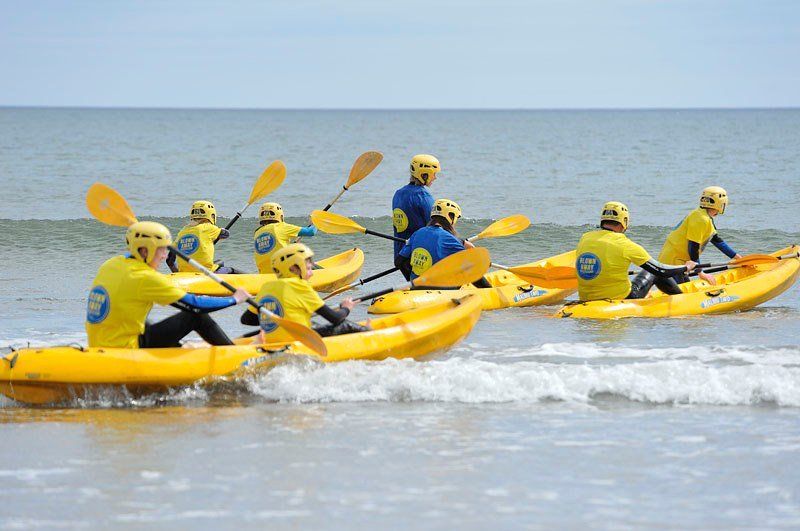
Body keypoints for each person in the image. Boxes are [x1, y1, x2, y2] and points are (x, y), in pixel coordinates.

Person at [86, 221, 250, 348]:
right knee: (195, 317)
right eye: (161, 249)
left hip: (99, 342)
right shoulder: (144, 277)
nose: (164, 256)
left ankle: (177, 352)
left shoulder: (111, 264)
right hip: (126, 347)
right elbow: (195, 306)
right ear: (144, 251)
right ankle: (235, 358)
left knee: (142, 319)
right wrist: (234, 299)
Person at [241, 243, 369, 341]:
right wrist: (345, 308)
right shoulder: (300, 286)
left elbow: (247, 320)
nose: (312, 273)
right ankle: (371, 334)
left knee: (314, 323)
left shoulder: (266, 287)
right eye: (308, 268)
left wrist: (282, 317)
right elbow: (336, 319)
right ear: (293, 268)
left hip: (273, 340)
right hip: (298, 340)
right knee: (345, 325)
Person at [575, 201, 695, 301]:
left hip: (586, 297)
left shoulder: (585, 238)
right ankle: (683, 300)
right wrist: (685, 267)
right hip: (622, 298)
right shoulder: (625, 245)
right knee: (653, 271)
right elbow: (661, 270)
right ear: (624, 221)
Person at [397, 199, 492, 288]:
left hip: (416, 286)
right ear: (450, 217)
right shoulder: (449, 239)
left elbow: (399, 262)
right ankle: (487, 290)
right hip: (439, 289)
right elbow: (470, 269)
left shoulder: (417, 233)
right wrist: (487, 286)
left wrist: (412, 282)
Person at [657, 186, 742, 285]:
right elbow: (693, 247)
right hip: (673, 261)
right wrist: (701, 272)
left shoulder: (703, 215)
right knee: (680, 294)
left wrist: (738, 258)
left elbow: (717, 241)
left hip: (680, 261)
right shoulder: (701, 219)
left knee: (684, 290)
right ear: (720, 204)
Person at [392, 154, 439, 279]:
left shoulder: (398, 194)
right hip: (420, 259)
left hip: (401, 257)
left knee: (416, 286)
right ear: (424, 174)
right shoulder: (423, 197)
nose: (435, 177)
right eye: (434, 174)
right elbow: (436, 228)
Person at [167, 200, 241, 274]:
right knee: (231, 270)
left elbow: (169, 260)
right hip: (206, 272)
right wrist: (220, 231)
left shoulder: (182, 231)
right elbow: (226, 234)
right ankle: (252, 278)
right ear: (212, 215)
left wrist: (178, 274)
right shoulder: (208, 227)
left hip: (184, 273)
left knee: (220, 263)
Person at [253, 202, 318, 274]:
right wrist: (315, 222)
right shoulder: (280, 226)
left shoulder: (257, 232)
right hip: (284, 270)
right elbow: (311, 232)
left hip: (265, 273)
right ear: (280, 215)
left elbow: (272, 249)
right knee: (307, 261)